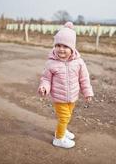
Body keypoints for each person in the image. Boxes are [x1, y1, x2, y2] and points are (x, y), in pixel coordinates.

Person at [38, 21, 94, 149]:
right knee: (64, 117)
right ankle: (59, 139)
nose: (61, 49)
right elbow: (46, 79)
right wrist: (44, 88)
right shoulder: (51, 63)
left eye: (65, 46)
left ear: (72, 48)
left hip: (72, 96)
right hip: (59, 98)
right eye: (58, 45)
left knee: (67, 116)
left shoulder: (79, 62)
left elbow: (84, 79)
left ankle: (61, 131)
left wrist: (87, 92)